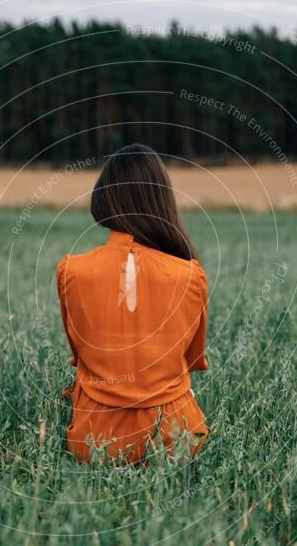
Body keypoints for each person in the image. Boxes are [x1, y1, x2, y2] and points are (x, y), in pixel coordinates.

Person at [56, 143, 209, 463]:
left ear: (105, 198)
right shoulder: (190, 275)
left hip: (94, 443)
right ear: (162, 199)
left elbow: (79, 354)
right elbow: (193, 358)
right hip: (176, 441)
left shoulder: (71, 271)